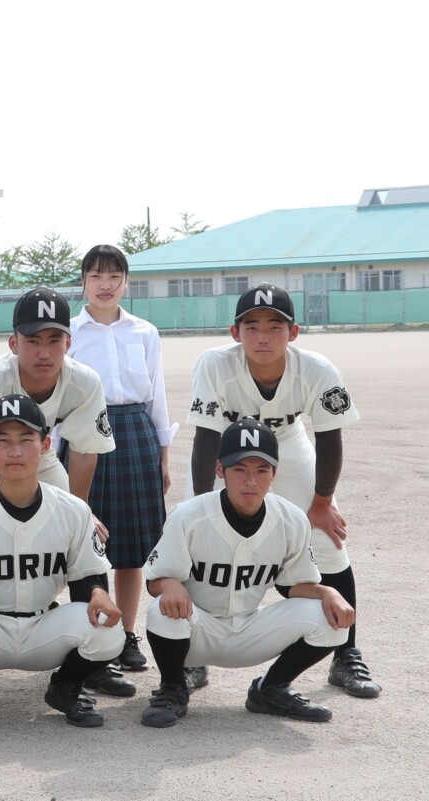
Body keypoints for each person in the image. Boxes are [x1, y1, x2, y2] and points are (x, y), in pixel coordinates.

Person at [182, 283, 379, 698]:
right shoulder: (214, 364)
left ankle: (346, 654)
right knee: (195, 542)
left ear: (294, 332)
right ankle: (190, 659)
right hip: (226, 449)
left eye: (275, 326)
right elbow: (204, 440)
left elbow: (329, 438)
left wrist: (321, 503)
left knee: (327, 539)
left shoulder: (317, 368)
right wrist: (202, 506)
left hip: (286, 444)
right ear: (235, 333)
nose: (264, 336)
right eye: (252, 326)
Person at [0, 286, 126, 701]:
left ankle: (92, 658)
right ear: (13, 342)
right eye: (33, 340)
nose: (44, 351)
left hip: (39, 458)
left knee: (85, 538)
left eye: (54, 339)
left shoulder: (83, 380)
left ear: (69, 342)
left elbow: (84, 452)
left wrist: (80, 514)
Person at [0, 395, 126, 732]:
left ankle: (67, 687)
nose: (15, 451)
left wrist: (97, 594)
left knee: (107, 630)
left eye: (26, 439)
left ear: (45, 444)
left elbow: (86, 576)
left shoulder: (73, 510)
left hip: (46, 628)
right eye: (3, 440)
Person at [140, 418, 354, 727]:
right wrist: (168, 583)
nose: (250, 481)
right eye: (239, 469)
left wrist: (329, 592)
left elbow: (294, 586)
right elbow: (155, 580)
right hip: (197, 629)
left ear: (275, 474)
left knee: (333, 618)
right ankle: (173, 688)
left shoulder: (291, 519)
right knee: (161, 610)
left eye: (261, 470)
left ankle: (271, 689)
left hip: (252, 630)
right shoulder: (189, 516)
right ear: (220, 470)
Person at [62, 245, 176, 676]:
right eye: (95, 276)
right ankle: (97, 638)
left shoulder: (144, 332)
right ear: (84, 282)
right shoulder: (69, 332)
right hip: (83, 433)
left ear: (126, 281)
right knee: (87, 545)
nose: (105, 285)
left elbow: (157, 397)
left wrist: (164, 456)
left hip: (135, 434)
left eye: (114, 276)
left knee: (130, 550)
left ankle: (126, 635)